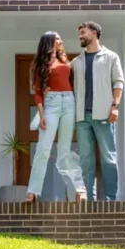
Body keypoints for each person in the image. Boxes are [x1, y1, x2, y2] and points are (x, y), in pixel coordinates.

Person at [26, 32, 87, 203]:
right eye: (58, 38)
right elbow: (37, 93)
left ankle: (76, 191)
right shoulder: (40, 65)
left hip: (69, 102)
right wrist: (42, 114)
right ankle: (32, 191)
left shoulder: (66, 61)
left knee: (65, 151)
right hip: (51, 105)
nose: (61, 41)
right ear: (49, 42)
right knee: (43, 149)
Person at [71, 21, 123, 201]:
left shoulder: (111, 57)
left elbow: (118, 83)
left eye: (83, 33)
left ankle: (110, 200)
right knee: (86, 161)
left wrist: (115, 106)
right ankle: (90, 201)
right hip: (81, 118)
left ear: (94, 33)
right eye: (79, 33)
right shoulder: (76, 62)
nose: (80, 36)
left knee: (108, 159)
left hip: (104, 115)